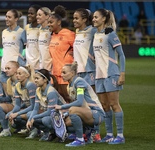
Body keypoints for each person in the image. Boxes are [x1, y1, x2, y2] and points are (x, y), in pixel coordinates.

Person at [92, 8, 126, 144]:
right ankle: (110, 134)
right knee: (104, 105)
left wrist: (122, 73)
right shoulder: (95, 34)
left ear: (104, 19)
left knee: (114, 104)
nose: (93, 19)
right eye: (93, 17)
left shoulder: (110, 34)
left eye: (96, 17)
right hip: (99, 75)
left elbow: (122, 55)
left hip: (111, 74)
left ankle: (120, 136)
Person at [54, 62, 105, 147]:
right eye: (61, 72)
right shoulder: (69, 86)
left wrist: (62, 107)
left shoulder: (79, 81)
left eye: (64, 72)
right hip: (87, 113)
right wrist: (65, 114)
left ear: (73, 73)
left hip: (97, 114)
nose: (61, 75)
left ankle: (80, 139)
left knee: (72, 110)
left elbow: (79, 102)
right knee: (66, 122)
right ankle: (89, 133)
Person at [72, 8, 101, 142]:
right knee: (82, 104)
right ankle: (87, 131)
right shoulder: (77, 32)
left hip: (90, 72)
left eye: (77, 18)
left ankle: (97, 133)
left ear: (85, 19)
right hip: (79, 73)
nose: (74, 20)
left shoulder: (92, 31)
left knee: (92, 103)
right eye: (73, 18)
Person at [26, 69, 66, 141]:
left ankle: (61, 132)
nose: (35, 80)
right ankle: (47, 133)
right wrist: (29, 120)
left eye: (37, 78)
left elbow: (50, 111)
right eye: (34, 78)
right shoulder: (38, 90)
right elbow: (35, 109)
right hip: (52, 115)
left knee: (45, 120)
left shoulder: (51, 92)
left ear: (45, 80)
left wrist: (34, 118)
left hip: (62, 115)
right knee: (29, 115)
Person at [48, 5, 75, 103]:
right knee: (59, 101)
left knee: (70, 99)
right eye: (48, 23)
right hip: (55, 75)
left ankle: (75, 118)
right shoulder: (52, 36)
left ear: (59, 22)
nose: (49, 25)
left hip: (65, 74)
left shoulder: (68, 34)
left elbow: (79, 50)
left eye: (51, 22)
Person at [0, 9, 26, 94]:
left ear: (16, 19)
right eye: (6, 16)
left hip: (15, 68)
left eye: (9, 17)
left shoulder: (21, 32)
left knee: (18, 95)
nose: (6, 19)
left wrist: (22, 61)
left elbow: (27, 48)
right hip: (4, 67)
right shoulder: (4, 32)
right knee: (7, 95)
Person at [7, 65, 37, 139]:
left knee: (28, 114)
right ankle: (27, 128)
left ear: (27, 75)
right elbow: (17, 105)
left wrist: (17, 113)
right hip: (30, 108)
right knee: (13, 118)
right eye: (17, 73)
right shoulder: (17, 86)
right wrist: (11, 113)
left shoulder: (31, 85)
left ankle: (35, 130)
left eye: (20, 74)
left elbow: (33, 106)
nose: (17, 75)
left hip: (38, 109)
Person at [0, 61, 19, 137]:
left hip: (22, 107)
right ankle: (6, 130)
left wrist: (13, 112)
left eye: (8, 68)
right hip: (15, 105)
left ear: (16, 69)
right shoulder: (9, 81)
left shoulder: (21, 81)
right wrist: (0, 99)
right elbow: (10, 98)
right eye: (5, 68)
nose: (6, 71)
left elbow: (25, 101)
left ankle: (30, 128)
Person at [25, 5, 41, 71]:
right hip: (28, 65)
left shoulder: (42, 28)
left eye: (32, 13)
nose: (29, 15)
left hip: (39, 65)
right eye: (28, 13)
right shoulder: (27, 27)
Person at [37, 7, 52, 71]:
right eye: (37, 15)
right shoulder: (39, 30)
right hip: (40, 66)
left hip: (49, 66)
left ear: (47, 16)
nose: (37, 17)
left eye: (39, 15)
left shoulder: (51, 30)